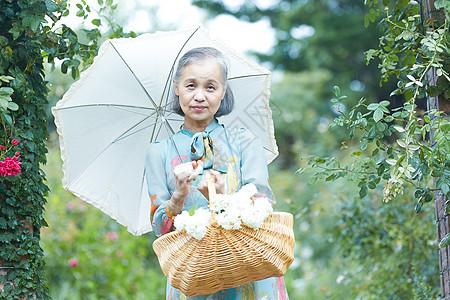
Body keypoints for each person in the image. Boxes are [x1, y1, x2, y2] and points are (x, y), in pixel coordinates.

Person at [145, 47, 289, 299]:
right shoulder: (159, 153)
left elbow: (263, 208)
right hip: (194, 278)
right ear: (177, 87)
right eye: (191, 85)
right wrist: (178, 195)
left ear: (223, 92)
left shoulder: (245, 142)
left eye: (210, 87)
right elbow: (161, 230)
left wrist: (224, 198)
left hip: (250, 272)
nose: (199, 96)